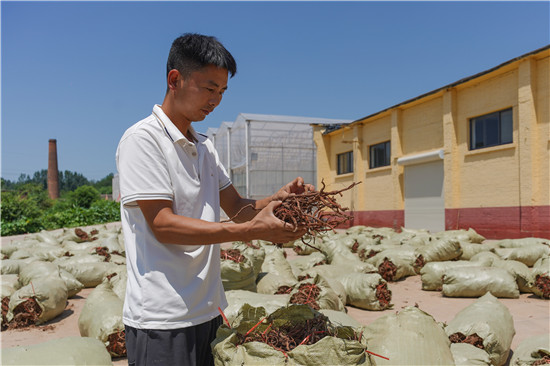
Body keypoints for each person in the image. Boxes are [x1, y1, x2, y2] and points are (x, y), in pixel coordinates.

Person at [116, 33, 312, 366]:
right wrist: (251, 232)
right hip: (163, 320)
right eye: (209, 89)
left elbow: (238, 209)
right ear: (175, 80)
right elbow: (162, 225)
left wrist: (276, 201)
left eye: (221, 92)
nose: (216, 100)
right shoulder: (143, 140)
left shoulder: (205, 147)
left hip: (208, 311)